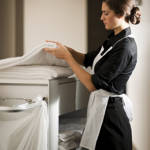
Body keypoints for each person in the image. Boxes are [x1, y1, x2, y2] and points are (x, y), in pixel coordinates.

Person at [43, 0, 141, 149]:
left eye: (106, 13)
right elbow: (86, 59)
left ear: (121, 14)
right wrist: (65, 49)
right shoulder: (114, 39)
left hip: (112, 119)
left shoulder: (125, 47)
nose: (101, 17)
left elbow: (92, 84)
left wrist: (67, 57)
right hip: (103, 112)